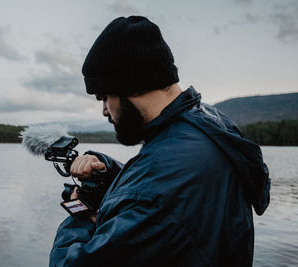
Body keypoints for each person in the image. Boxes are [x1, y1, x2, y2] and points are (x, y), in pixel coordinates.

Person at [49, 16, 270, 267]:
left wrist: (78, 214)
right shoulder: (208, 125)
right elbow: (173, 193)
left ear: (132, 86)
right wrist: (108, 171)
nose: (104, 110)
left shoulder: (155, 190)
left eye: (104, 96)